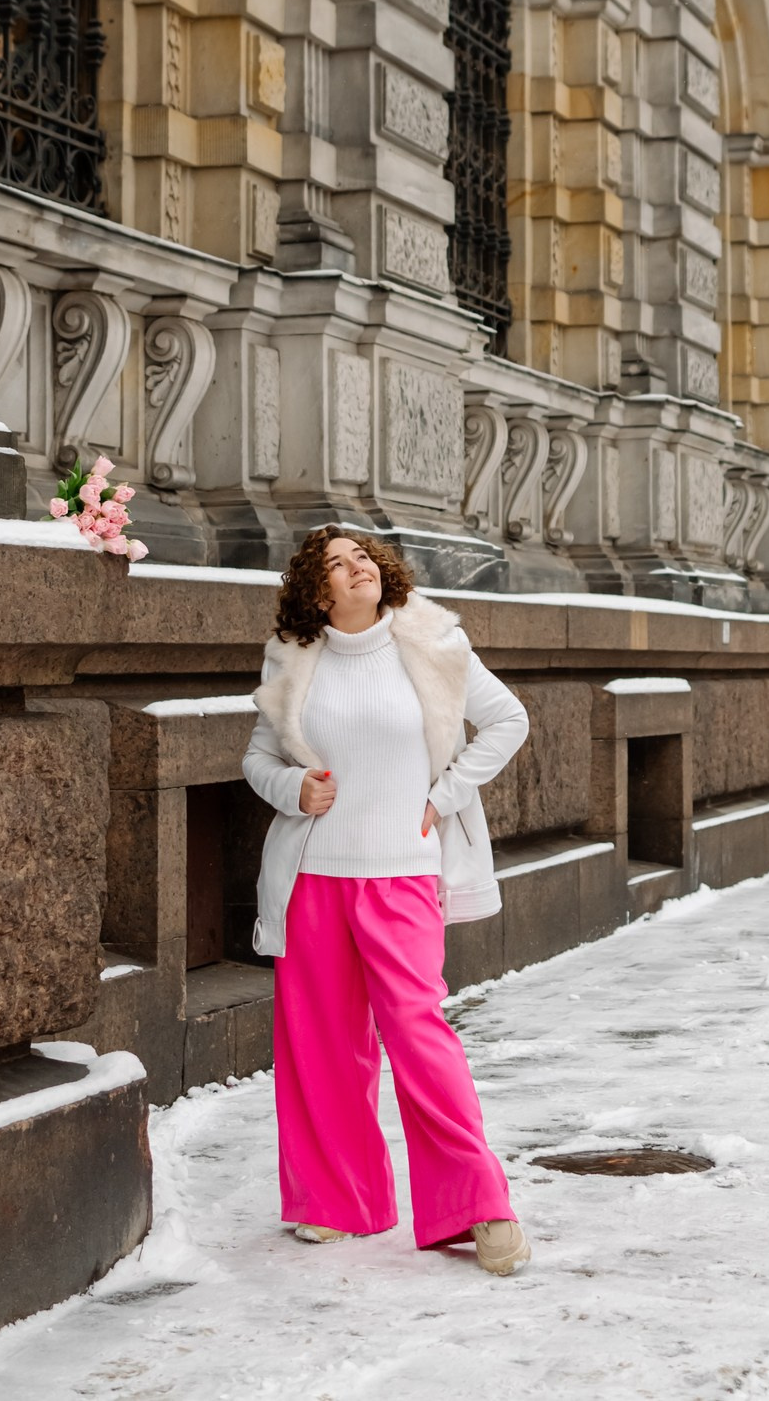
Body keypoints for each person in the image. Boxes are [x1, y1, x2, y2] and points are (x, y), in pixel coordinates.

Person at [241, 524, 531, 1276]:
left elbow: (507, 721)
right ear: (317, 592)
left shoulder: (432, 643)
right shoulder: (294, 660)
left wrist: (446, 794)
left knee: (420, 1038)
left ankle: (481, 1207)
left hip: (403, 873)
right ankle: (337, 1202)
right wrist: (292, 788)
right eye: (335, 564)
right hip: (314, 879)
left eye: (362, 555)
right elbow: (258, 757)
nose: (355, 567)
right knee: (323, 1049)